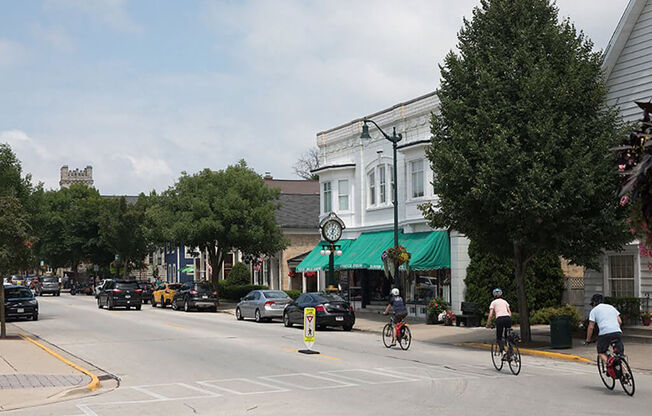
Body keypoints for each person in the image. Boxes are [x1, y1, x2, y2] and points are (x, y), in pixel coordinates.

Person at [585, 294, 623, 367]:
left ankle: (609, 365)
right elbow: (620, 321)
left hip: (604, 333)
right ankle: (625, 374)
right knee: (619, 356)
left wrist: (588, 339)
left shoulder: (594, 310)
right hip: (617, 332)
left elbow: (591, 327)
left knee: (601, 352)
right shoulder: (611, 307)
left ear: (594, 302)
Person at [486, 288, 512, 356]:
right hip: (507, 318)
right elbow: (509, 312)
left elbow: (491, 315)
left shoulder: (493, 303)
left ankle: (503, 351)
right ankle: (511, 351)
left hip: (500, 319)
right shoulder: (505, 301)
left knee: (499, 338)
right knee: (508, 336)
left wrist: (488, 324)